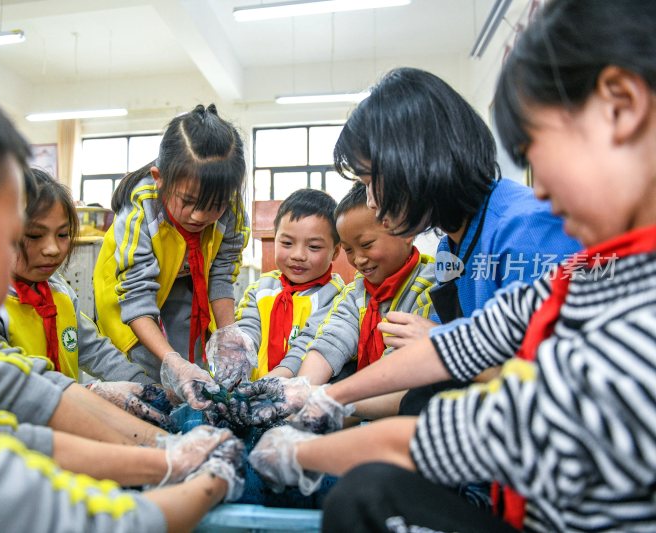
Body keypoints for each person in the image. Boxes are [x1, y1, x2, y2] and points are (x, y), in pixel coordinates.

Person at [249, 1, 656, 531]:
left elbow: (478, 418)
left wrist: (306, 446)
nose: (370, 202)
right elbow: (465, 341)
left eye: (538, 147)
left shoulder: (536, 234)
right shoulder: (542, 267)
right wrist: (322, 393)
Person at [0, 40, 243, 531]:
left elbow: (22, 405)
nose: (43, 255)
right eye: (9, 241)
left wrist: (163, 457)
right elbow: (64, 514)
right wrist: (206, 481)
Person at [0, 167, 175, 429]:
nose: (52, 249)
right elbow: (13, 384)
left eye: (63, 234)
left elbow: (93, 348)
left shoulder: (60, 292)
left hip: (66, 422)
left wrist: (151, 387)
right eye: (34, 235)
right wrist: (92, 393)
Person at [93, 105, 250, 403]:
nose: (200, 215)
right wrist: (172, 361)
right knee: (150, 379)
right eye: (189, 201)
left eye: (215, 205)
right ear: (159, 178)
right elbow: (136, 299)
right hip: (129, 300)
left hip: (185, 290)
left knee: (197, 374)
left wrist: (229, 335)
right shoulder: (140, 210)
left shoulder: (232, 210)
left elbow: (220, 276)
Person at [293, 182, 436, 391]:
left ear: (406, 232)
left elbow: (401, 366)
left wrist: (330, 398)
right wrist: (300, 390)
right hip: (361, 398)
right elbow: (332, 340)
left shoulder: (429, 285)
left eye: (367, 244)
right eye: (349, 250)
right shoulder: (355, 292)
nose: (358, 260)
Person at [228, 188, 344, 382]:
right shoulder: (261, 288)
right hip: (254, 387)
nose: (298, 255)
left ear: (336, 251)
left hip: (301, 394)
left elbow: (308, 345)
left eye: (314, 246)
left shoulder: (336, 297)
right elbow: (248, 328)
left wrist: (272, 382)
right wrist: (237, 361)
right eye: (287, 243)